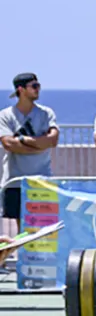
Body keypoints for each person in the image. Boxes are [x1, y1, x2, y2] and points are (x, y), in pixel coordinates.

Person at [0, 73, 59, 240]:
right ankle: (22, 262)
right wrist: (39, 145)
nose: (38, 89)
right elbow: (8, 144)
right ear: (21, 89)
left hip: (42, 180)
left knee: (44, 228)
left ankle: (44, 262)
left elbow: (53, 140)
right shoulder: (6, 115)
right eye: (34, 86)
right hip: (15, 181)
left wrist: (23, 140)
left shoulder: (46, 113)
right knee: (21, 228)